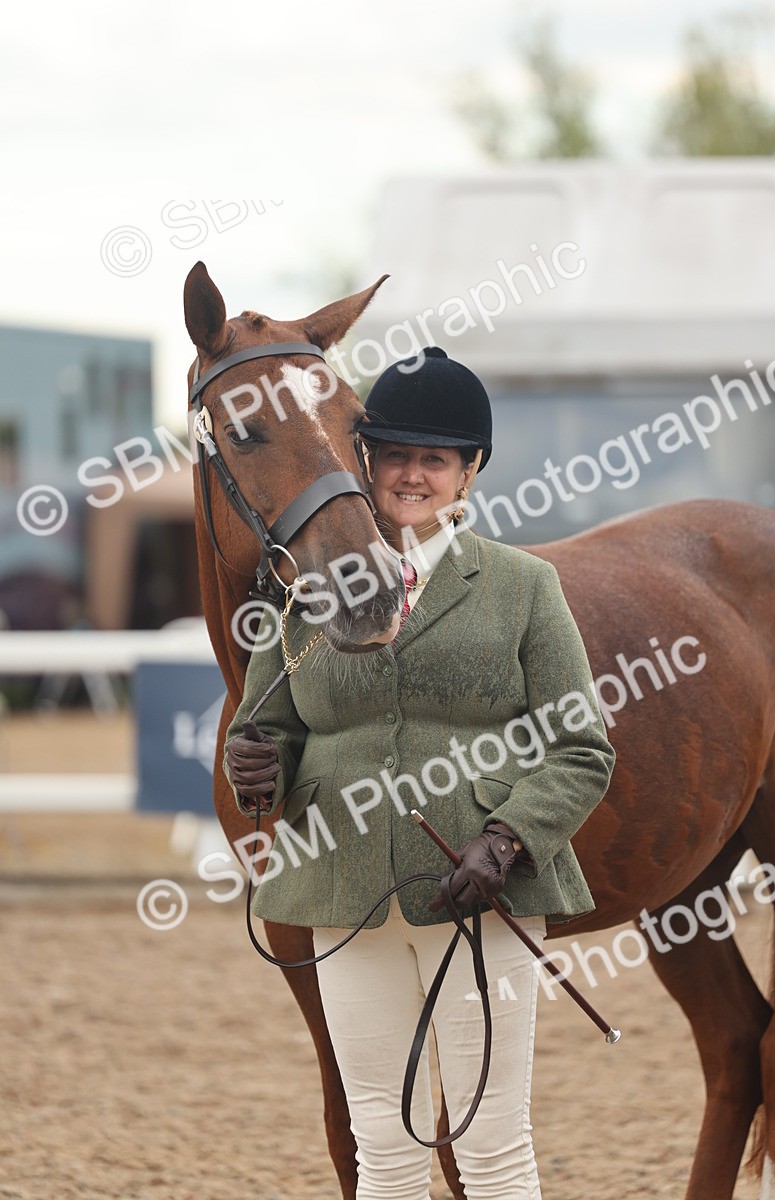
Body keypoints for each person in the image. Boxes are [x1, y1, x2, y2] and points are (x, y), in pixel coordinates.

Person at [224, 346, 616, 1200]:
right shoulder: (304, 595)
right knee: (383, 1143)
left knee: (492, 1145)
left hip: (481, 894)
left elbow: (582, 747)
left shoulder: (523, 588)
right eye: (393, 455)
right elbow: (269, 734)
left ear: (468, 471)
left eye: (432, 459)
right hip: (344, 898)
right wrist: (255, 762)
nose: (409, 475)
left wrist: (509, 839)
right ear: (363, 462)